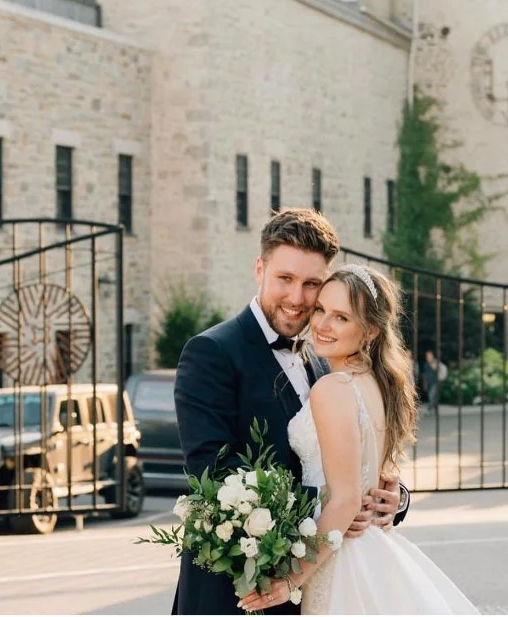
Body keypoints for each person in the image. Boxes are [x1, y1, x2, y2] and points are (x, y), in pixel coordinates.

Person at [172, 209, 409, 615]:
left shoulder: (325, 359)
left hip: (311, 583)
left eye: (311, 284)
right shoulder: (212, 352)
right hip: (235, 592)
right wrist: (332, 505)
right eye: (285, 279)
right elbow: (213, 473)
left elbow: (348, 457)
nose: (298, 298)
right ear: (260, 269)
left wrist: (391, 498)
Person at [239, 265, 478, 615]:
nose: (321, 324)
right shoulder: (377, 383)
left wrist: (292, 579)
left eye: (340, 318)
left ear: (368, 332)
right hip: (371, 546)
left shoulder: (333, 387)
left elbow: (347, 499)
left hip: (341, 557)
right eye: (321, 310)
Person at [423, 348, 447, 412]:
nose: (428, 357)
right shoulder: (425, 364)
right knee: (431, 395)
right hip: (429, 382)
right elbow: (425, 375)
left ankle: (430, 407)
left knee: (432, 394)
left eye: (429, 356)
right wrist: (424, 383)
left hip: (435, 382)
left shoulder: (435, 362)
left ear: (432, 356)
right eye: (427, 356)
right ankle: (435, 406)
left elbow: (436, 369)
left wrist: (431, 363)